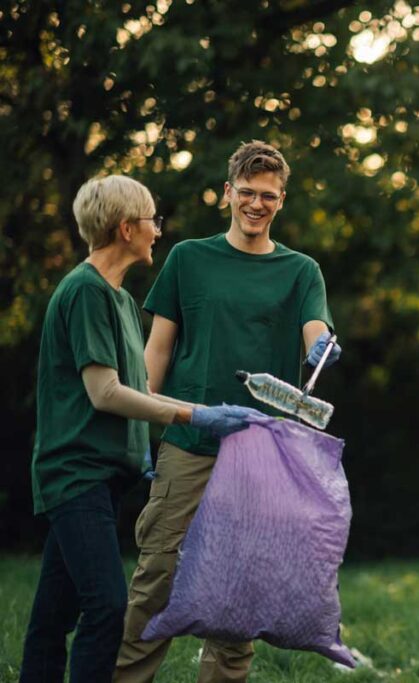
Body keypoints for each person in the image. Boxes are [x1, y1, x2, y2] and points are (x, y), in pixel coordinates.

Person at [115, 141, 340, 683]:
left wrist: (322, 344)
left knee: (239, 594)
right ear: (227, 194)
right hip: (187, 442)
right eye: (246, 192)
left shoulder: (300, 270)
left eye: (268, 195)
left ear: (281, 200)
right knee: (157, 577)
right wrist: (138, 430)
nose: (256, 204)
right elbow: (158, 351)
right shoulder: (189, 259)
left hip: (261, 454)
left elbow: (317, 327)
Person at [20, 176, 258, 683]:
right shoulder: (85, 291)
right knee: (107, 608)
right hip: (76, 473)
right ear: (126, 228)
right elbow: (103, 392)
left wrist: (206, 410)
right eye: (152, 220)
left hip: (105, 477)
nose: (157, 231)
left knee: (51, 616)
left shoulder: (122, 301)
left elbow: (140, 391)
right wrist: (196, 417)